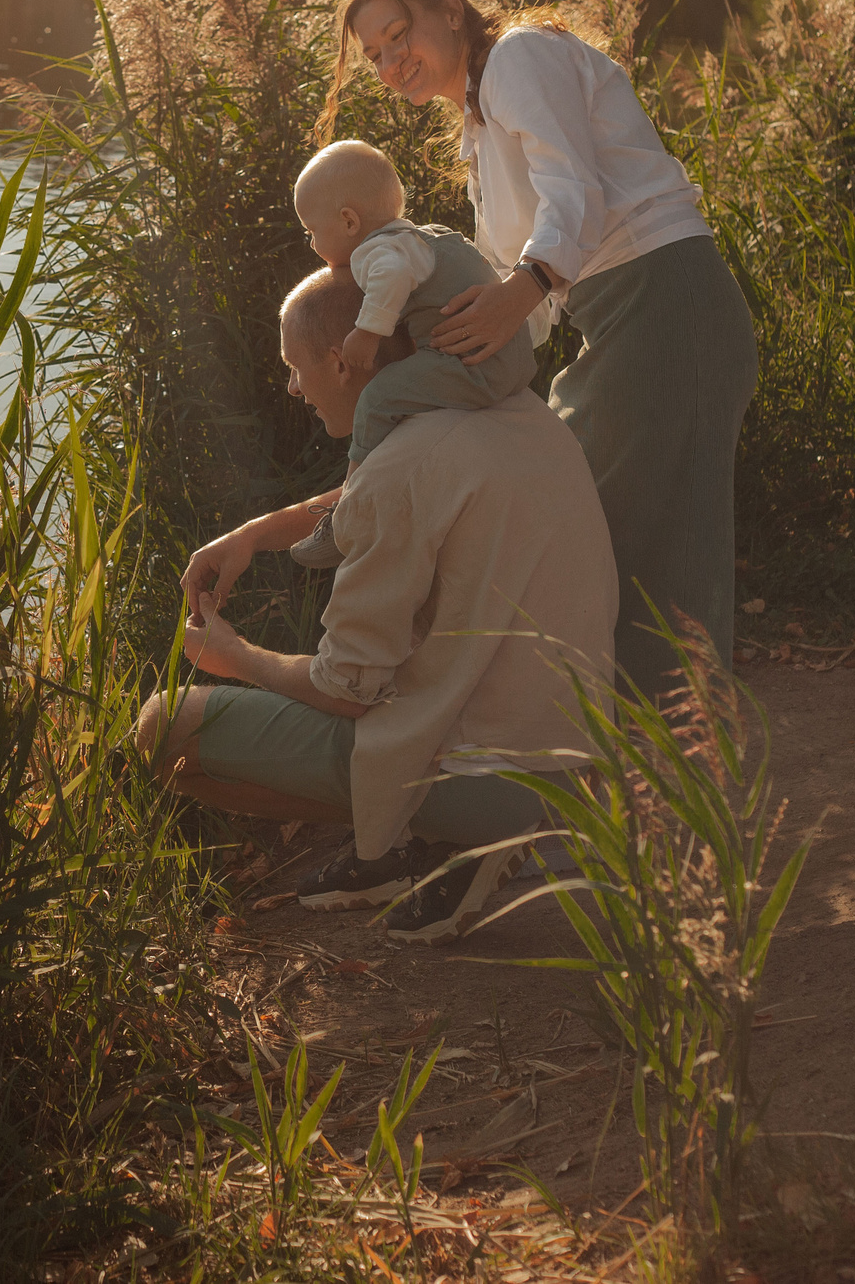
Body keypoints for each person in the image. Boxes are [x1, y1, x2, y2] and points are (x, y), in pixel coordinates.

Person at [190, 0, 757, 701]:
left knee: (645, 543)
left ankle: (663, 752)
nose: (394, 61)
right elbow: (521, 299)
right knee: (597, 531)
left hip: (663, 301)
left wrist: (519, 291)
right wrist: (440, 358)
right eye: (376, 55)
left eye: (401, 35)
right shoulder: (478, 136)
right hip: (616, 321)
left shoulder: (520, 57)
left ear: (450, 10)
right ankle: (637, 745)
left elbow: (573, 194)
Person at [135, 268, 617, 944]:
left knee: (164, 726)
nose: (294, 388)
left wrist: (234, 656)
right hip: (569, 759)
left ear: (339, 360)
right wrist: (252, 535)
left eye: (295, 368)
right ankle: (436, 840)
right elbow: (374, 489)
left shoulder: (398, 473)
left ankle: (425, 837)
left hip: (486, 779)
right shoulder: (507, 414)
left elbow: (348, 690)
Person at [285, 138, 536, 568]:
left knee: (376, 400)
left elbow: (392, 276)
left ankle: (348, 512)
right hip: (511, 362)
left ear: (348, 221)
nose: (311, 245)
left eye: (311, 232)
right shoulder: (420, 235)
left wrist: (367, 331)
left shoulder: (377, 253)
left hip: (475, 368)